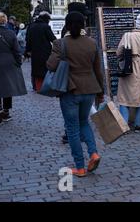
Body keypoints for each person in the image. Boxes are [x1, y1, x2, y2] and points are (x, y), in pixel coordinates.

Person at [47, 12, 104, 177]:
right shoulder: (92, 43)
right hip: (90, 89)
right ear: (83, 25)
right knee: (84, 123)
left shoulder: (60, 43)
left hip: (70, 90)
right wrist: (101, 92)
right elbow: (98, 70)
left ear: (66, 24)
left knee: (72, 129)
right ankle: (93, 153)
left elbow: (51, 65)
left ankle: (79, 167)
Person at [117, 13, 140, 132]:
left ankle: (124, 125)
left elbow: (119, 52)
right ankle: (138, 124)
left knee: (124, 96)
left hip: (128, 66)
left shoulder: (127, 36)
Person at [0, 12, 27, 124]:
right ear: (5, 21)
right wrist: (18, 62)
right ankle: (6, 112)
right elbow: (17, 50)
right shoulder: (11, 33)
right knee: (8, 86)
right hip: (8, 62)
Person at [25, 12, 56, 92]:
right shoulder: (46, 26)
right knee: (45, 68)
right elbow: (53, 39)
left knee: (35, 69)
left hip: (34, 51)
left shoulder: (31, 26)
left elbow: (28, 39)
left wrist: (27, 51)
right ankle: (44, 86)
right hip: (45, 51)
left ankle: (36, 86)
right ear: (46, 19)